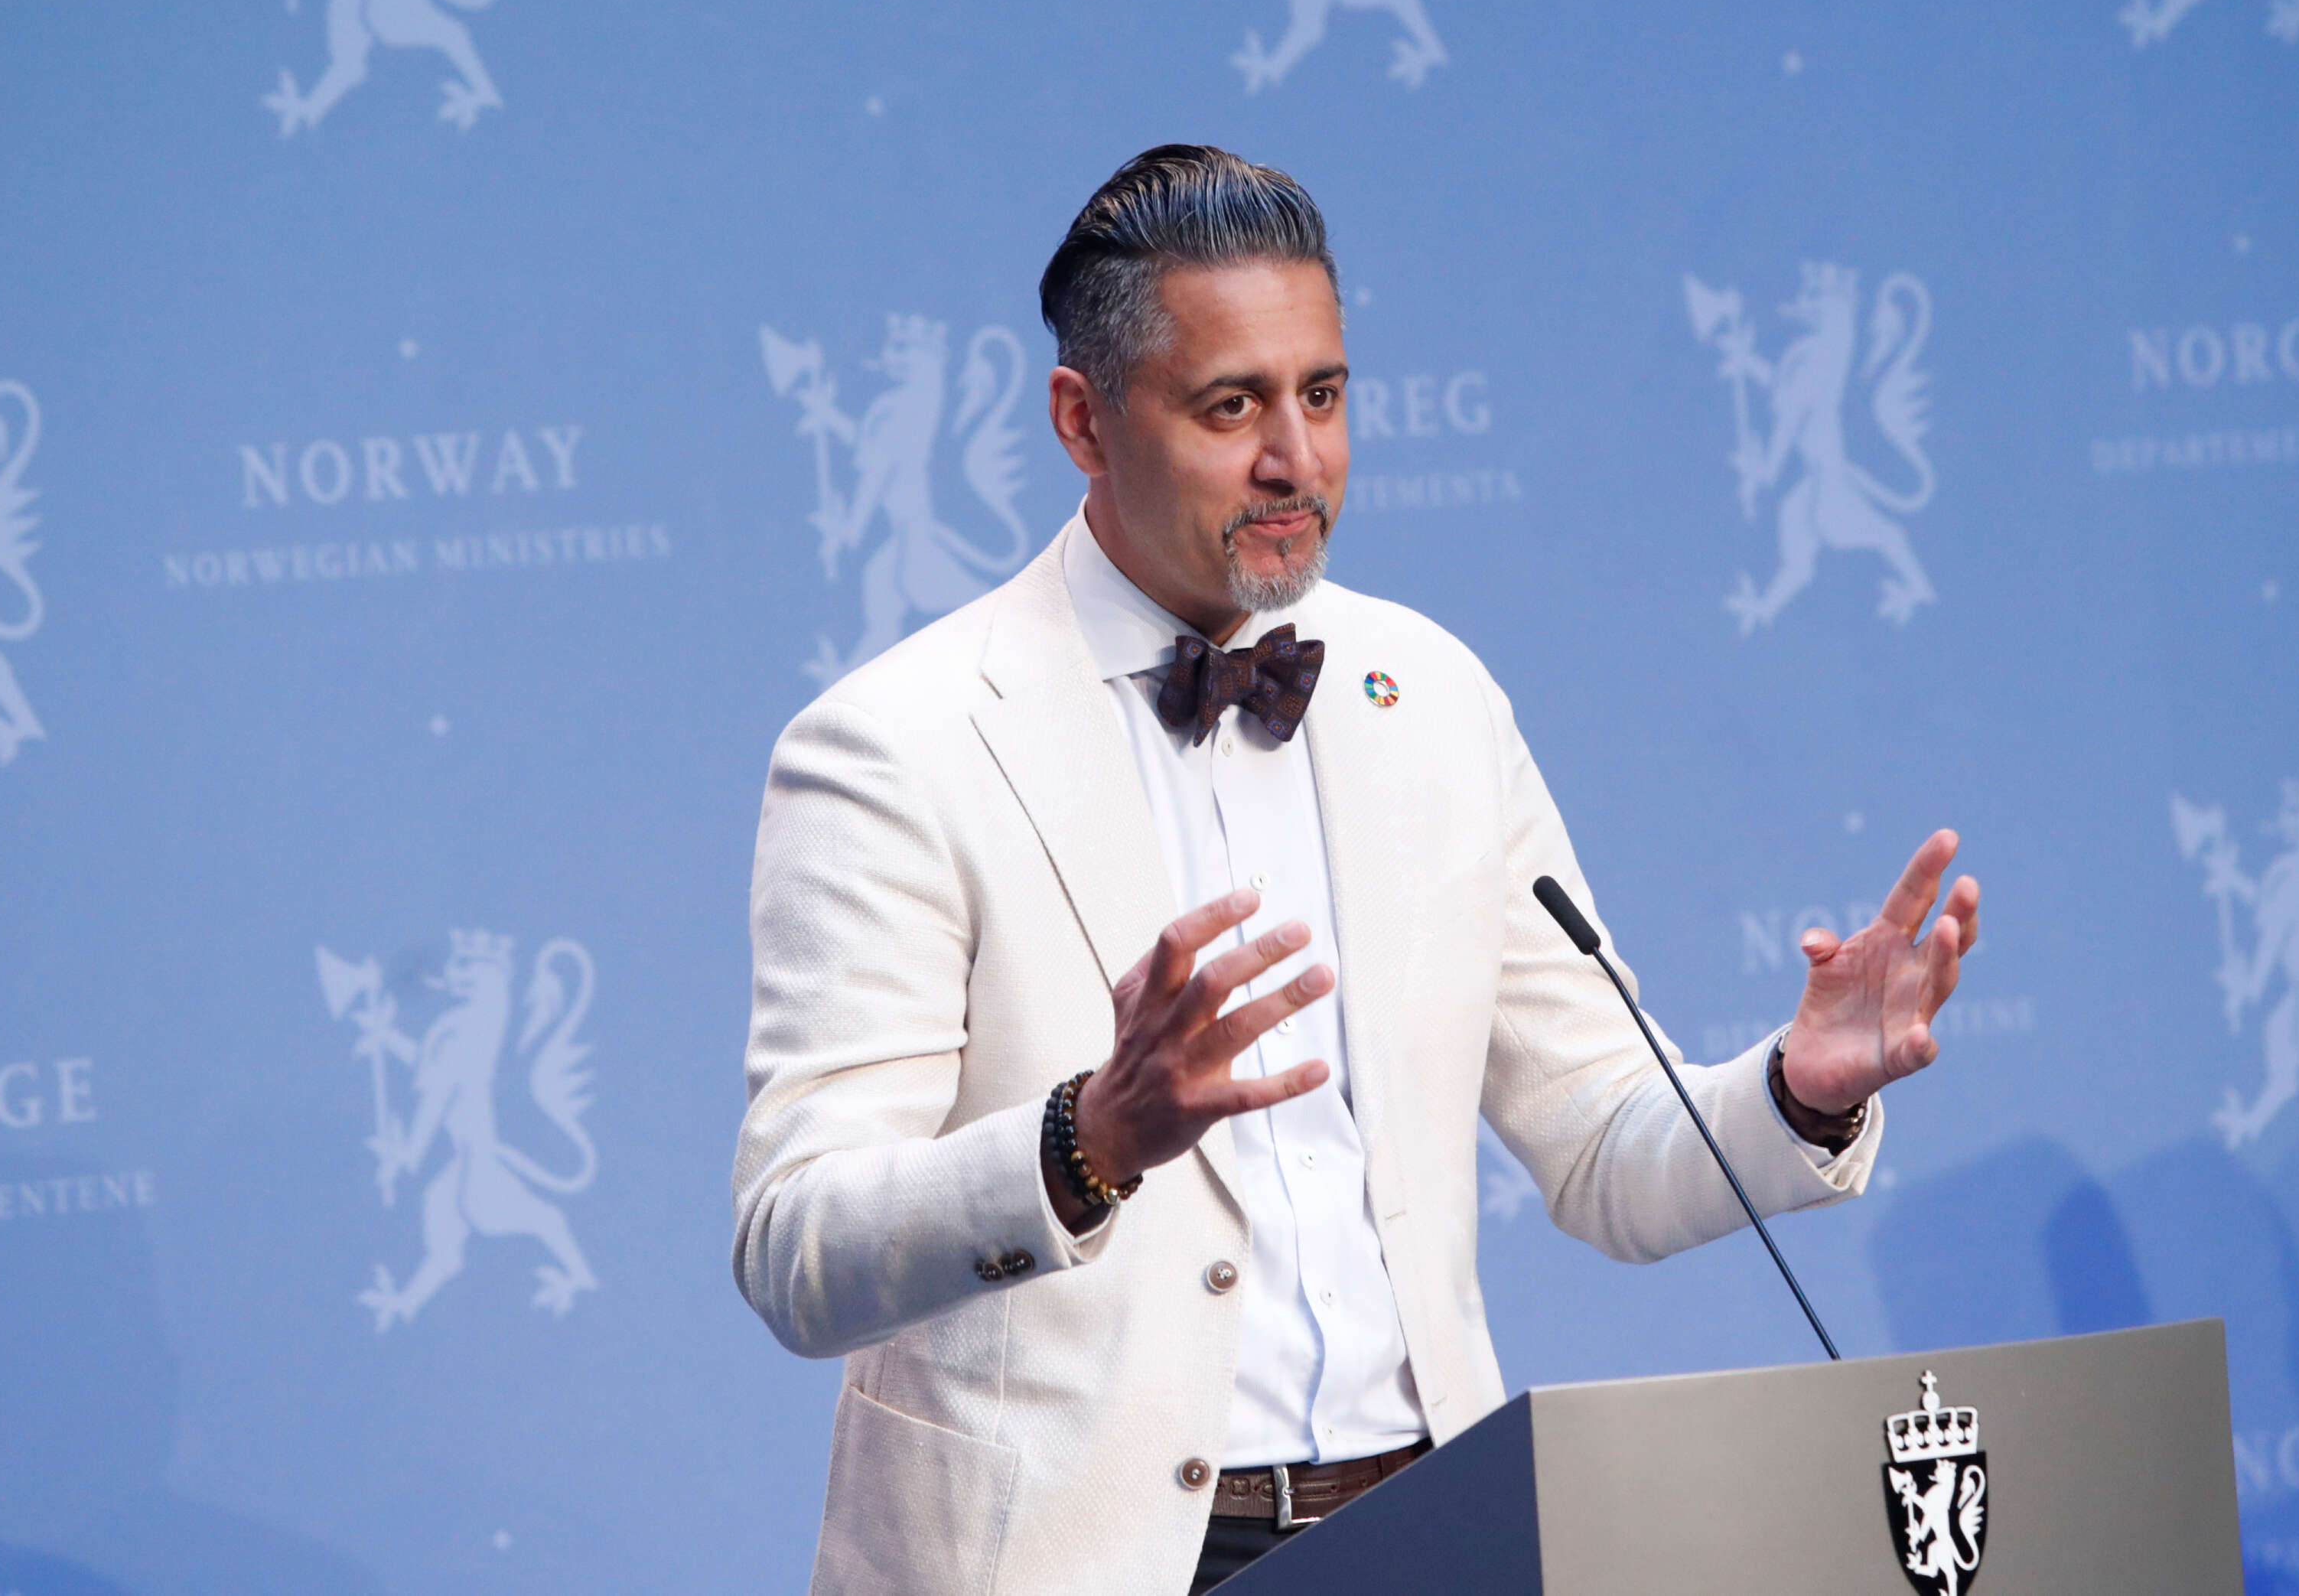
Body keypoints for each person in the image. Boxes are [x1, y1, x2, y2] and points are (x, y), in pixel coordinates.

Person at [734, 145, 1983, 1596]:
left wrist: (1796, 1092)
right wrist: (1087, 1141)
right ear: (1083, 420)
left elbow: (1600, 1147)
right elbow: (798, 1247)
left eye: (1322, 395)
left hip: (1429, 1533)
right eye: (1232, 407)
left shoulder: (1431, 695)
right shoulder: (901, 746)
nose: (1297, 459)